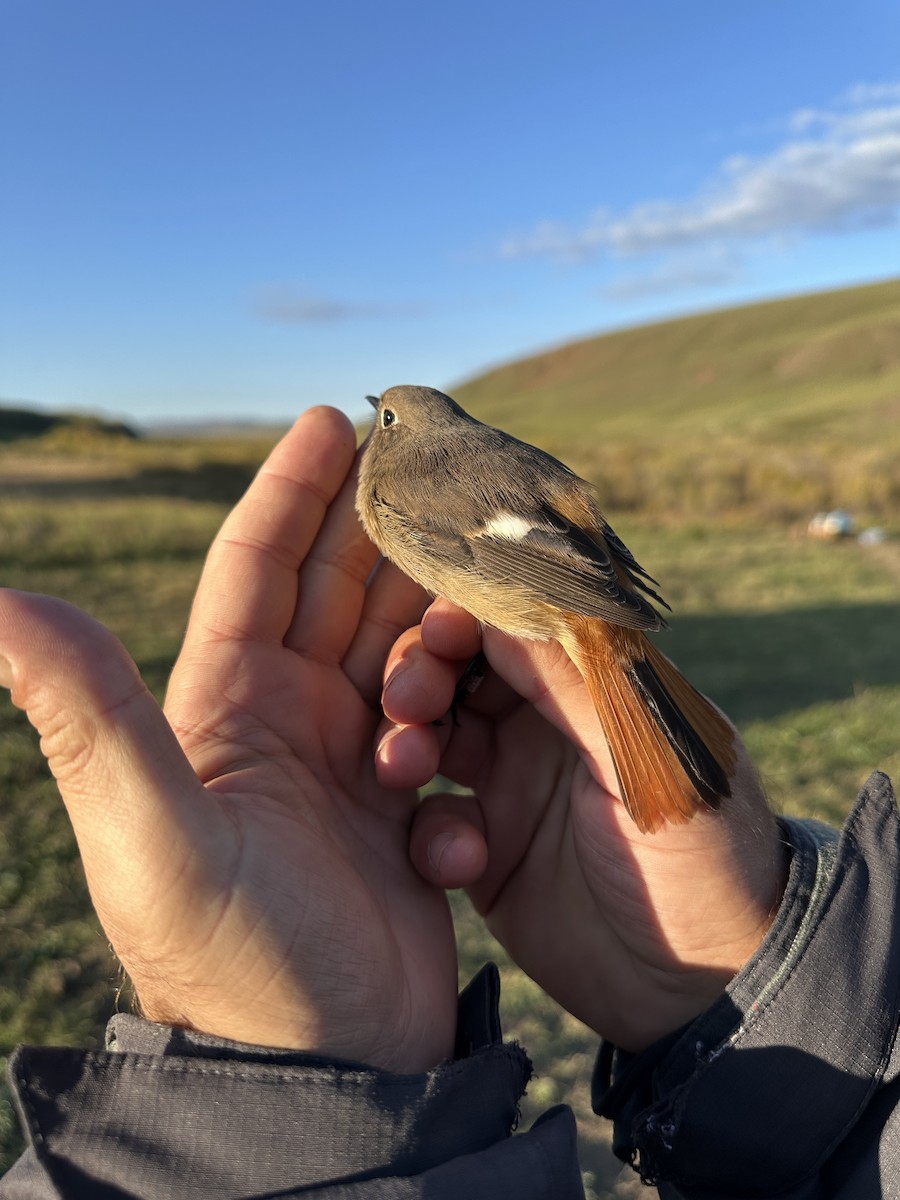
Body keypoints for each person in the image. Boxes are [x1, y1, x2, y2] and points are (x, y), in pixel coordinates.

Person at [0, 407, 896, 1199]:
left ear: (399, 430)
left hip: (549, 591)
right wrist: (742, 963)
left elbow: (518, 549)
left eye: (384, 417)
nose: (377, 425)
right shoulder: (473, 455)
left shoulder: (405, 480)